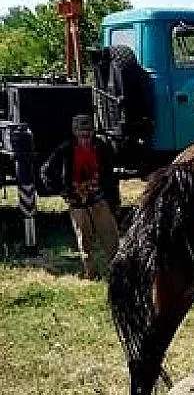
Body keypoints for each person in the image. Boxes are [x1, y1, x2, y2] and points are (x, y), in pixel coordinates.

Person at [41, 113, 121, 279]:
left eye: (88, 132)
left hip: (100, 200)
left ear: (93, 132)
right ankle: (90, 273)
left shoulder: (102, 148)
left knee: (111, 238)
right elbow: (46, 172)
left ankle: (116, 273)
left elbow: (111, 177)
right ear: (75, 132)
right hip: (77, 202)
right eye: (82, 133)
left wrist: (114, 201)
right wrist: (63, 192)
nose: (86, 137)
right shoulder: (65, 149)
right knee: (85, 240)